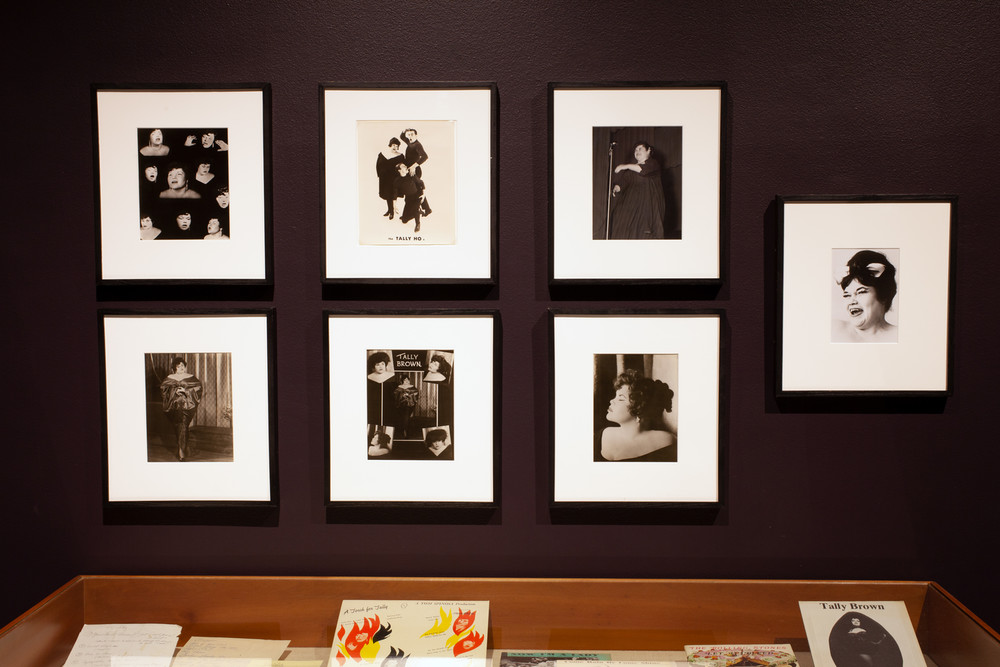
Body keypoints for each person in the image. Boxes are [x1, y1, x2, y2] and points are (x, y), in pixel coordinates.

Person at [600, 368, 676, 462]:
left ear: (639, 409)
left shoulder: (667, 441)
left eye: (621, 399)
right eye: (616, 396)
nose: (611, 401)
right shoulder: (601, 435)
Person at [834, 250, 898, 343]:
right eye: (847, 295)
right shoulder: (834, 329)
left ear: (884, 296)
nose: (852, 301)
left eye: (861, 292)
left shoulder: (899, 335)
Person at [608, 141, 666, 239]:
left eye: (640, 149)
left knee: (644, 233)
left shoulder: (653, 164)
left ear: (648, 151)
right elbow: (624, 182)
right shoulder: (631, 170)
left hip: (648, 207)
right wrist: (617, 188)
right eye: (635, 150)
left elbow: (642, 170)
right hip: (632, 207)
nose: (637, 151)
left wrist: (624, 166)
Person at [160, 357, 203, 461]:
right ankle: (183, 447)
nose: (181, 368)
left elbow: (199, 388)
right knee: (178, 428)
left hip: (187, 407)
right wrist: (174, 391)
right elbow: (163, 391)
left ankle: (181, 452)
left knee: (183, 425)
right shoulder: (170, 378)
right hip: (173, 407)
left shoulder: (191, 377)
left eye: (182, 366)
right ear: (175, 368)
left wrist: (185, 390)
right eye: (178, 366)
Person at [400, 127, 431, 216]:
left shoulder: (417, 145)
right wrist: (405, 130)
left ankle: (417, 211)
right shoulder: (409, 142)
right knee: (414, 191)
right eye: (409, 135)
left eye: (412, 134)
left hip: (415, 171)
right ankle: (427, 209)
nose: (410, 136)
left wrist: (413, 166)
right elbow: (402, 136)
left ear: (416, 135)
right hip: (408, 170)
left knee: (415, 191)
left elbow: (425, 156)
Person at [376, 137, 405, 219]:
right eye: (393, 145)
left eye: (397, 146)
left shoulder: (400, 156)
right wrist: (379, 175)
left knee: (392, 195)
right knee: (387, 194)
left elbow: (402, 167)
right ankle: (390, 210)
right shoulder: (383, 154)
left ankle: (392, 212)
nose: (395, 147)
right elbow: (378, 165)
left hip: (394, 179)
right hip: (384, 178)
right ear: (390, 145)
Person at [392, 162, 426, 232]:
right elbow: (394, 195)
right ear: (399, 170)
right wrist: (394, 206)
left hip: (417, 196)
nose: (406, 166)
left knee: (415, 210)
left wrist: (423, 194)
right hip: (408, 199)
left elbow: (421, 183)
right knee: (404, 220)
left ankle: (417, 224)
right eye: (403, 166)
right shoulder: (397, 181)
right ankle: (418, 211)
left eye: (405, 165)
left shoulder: (411, 175)